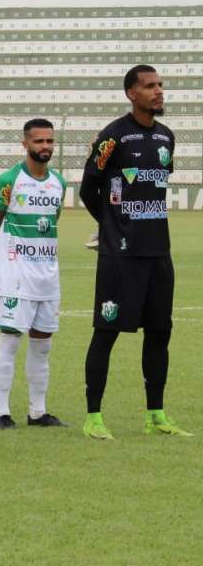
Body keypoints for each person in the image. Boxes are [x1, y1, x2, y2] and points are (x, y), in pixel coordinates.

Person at [80, 65, 191, 439]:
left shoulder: (166, 137)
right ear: (131, 93)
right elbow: (88, 189)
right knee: (107, 331)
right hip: (120, 255)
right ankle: (93, 417)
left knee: (160, 332)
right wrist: (111, 227)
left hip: (158, 251)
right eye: (149, 86)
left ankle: (155, 414)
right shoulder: (113, 137)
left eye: (160, 85)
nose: (158, 91)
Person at [0, 119, 66, 430]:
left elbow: (51, 222)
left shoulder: (58, 182)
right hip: (15, 277)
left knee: (43, 345)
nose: (44, 146)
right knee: (10, 341)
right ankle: (3, 413)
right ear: (25, 144)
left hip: (47, 277)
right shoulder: (8, 181)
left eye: (49, 141)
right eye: (38, 141)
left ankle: (38, 412)